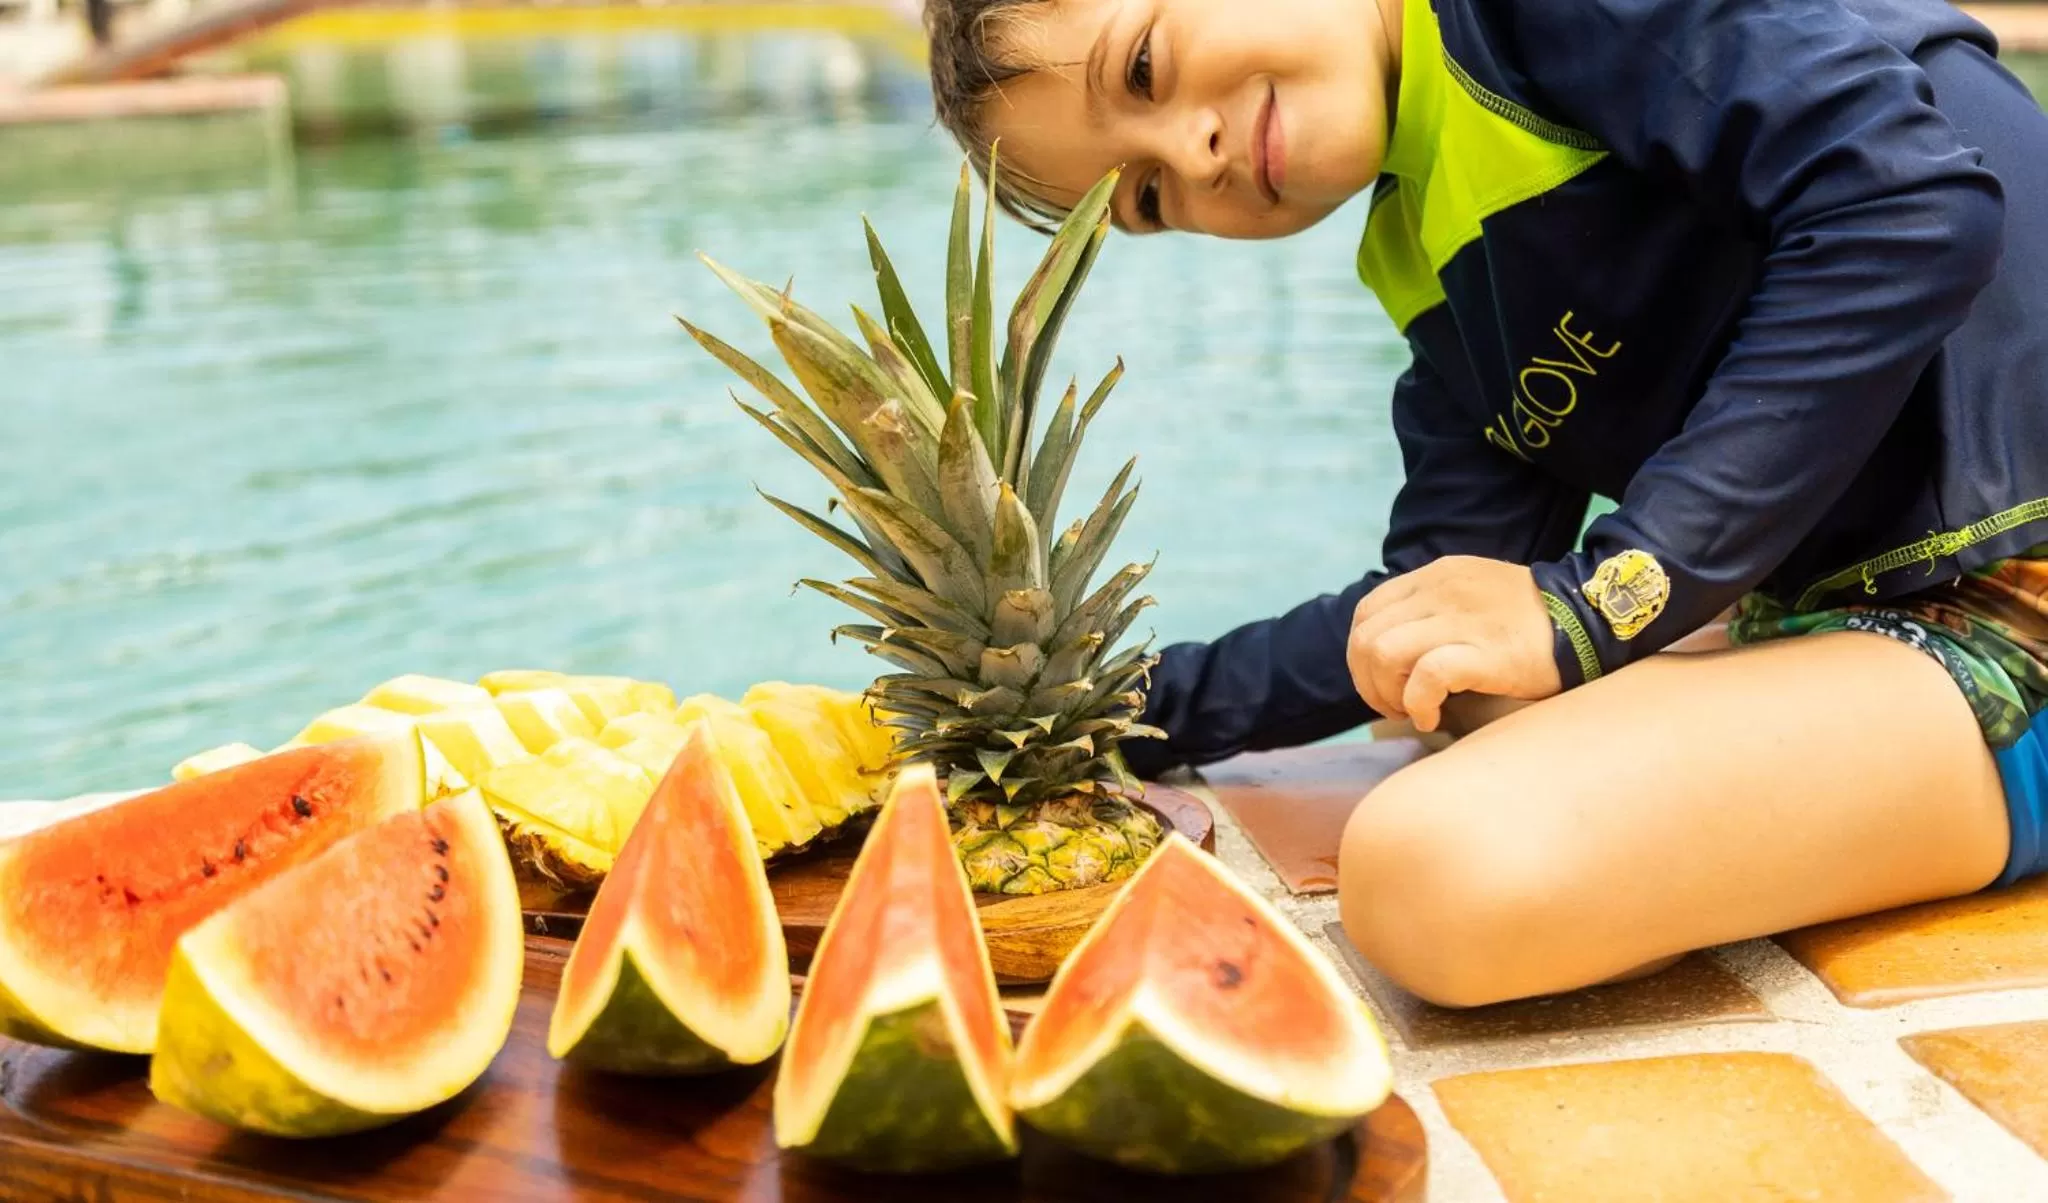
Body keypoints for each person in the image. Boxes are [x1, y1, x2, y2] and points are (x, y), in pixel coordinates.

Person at [920, 0, 2048, 1006]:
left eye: (1144, 67)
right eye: (1148, 198)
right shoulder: (1425, 250)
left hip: (2017, 587)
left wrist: (1604, 599)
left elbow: (1907, 199)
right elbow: (1427, 598)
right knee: (1447, 672)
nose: (1191, 152)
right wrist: (1108, 711)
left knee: (1432, 875)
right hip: (1885, 614)